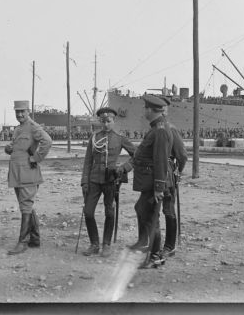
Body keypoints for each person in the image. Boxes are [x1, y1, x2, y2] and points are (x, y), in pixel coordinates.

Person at [80, 107, 136, 257]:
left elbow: (137, 155)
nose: (106, 124)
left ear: (114, 121)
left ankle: (106, 244)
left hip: (110, 180)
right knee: (88, 212)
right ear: (100, 121)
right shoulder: (94, 138)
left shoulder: (120, 138)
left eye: (109, 121)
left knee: (109, 212)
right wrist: (84, 182)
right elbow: (87, 162)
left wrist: (124, 168)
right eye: (103, 121)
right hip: (93, 180)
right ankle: (94, 244)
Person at [142, 100, 188, 268]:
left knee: (168, 211)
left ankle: (169, 246)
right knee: (158, 211)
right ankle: (156, 247)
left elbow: (182, 155)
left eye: (165, 108)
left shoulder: (170, 129)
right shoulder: (157, 128)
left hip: (168, 176)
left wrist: (178, 172)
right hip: (159, 175)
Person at [128, 95, 174, 259]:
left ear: (151, 110)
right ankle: (145, 243)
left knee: (151, 216)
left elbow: (161, 161)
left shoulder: (160, 131)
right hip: (148, 182)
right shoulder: (156, 128)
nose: (144, 111)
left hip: (154, 183)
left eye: (145, 108)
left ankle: (155, 256)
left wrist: (158, 189)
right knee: (141, 209)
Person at [5, 100, 52, 255]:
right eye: (17, 111)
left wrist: (36, 158)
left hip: (28, 173)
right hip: (17, 173)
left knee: (25, 206)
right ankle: (35, 238)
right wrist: (8, 149)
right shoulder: (19, 128)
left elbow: (47, 141)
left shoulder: (33, 127)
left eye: (22, 111)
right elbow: (17, 147)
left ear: (28, 111)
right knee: (26, 206)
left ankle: (22, 242)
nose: (19, 114)